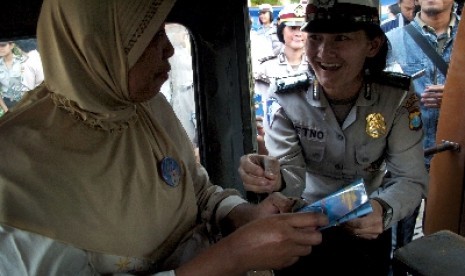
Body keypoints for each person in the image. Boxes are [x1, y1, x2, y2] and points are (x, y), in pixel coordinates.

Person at [0, 0, 330, 275]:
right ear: (97, 45)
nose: (169, 50)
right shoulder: (14, 170)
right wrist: (233, 256)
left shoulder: (143, 105)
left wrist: (245, 216)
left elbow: (197, 192)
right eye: (149, 36)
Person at [238, 0, 428, 275]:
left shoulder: (395, 97)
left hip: (369, 227)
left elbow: (410, 178)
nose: (325, 52)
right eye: (315, 38)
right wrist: (270, 176)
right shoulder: (288, 98)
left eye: (341, 38)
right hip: (302, 228)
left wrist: (383, 209)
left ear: (372, 46)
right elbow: (290, 174)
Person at [386, 0, 459, 250]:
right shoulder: (392, 41)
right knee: (397, 242)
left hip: (457, 158)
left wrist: (457, 97)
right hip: (407, 157)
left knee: (451, 241)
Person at [253, 3, 309, 154]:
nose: (298, 33)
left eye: (303, 28)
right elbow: (259, 108)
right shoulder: (265, 68)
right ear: (281, 31)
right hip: (274, 143)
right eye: (292, 28)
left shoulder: (319, 68)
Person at [0, 40, 44, 109]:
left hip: (27, 100)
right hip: (8, 102)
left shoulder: (24, 61)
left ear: (11, 46)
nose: (0, 48)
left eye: (3, 45)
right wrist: (5, 108)